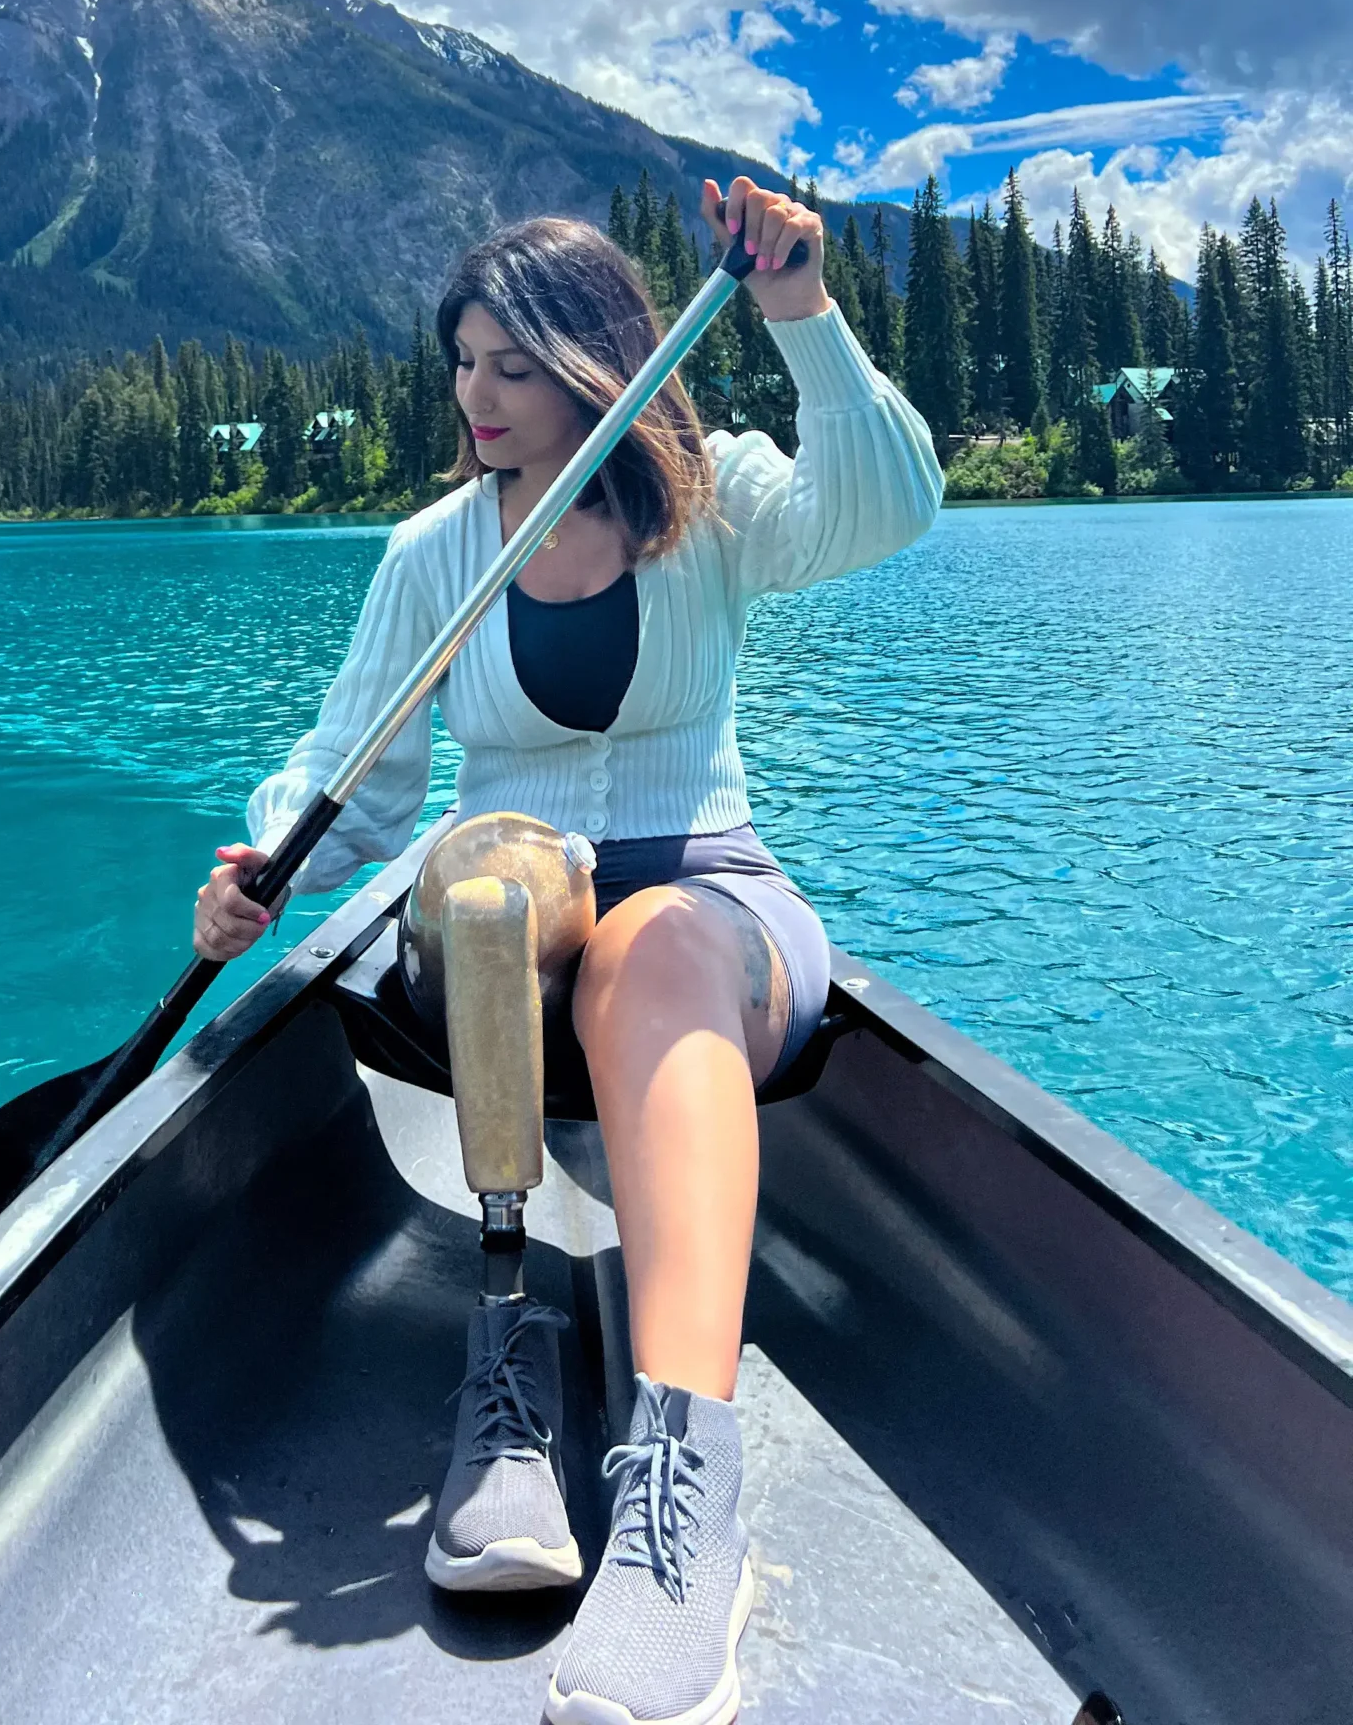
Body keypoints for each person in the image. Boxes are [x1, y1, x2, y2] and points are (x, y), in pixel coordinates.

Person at [196, 177, 942, 1725]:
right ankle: (505, 1351)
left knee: (654, 946)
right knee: (480, 886)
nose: (474, 396)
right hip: (507, 915)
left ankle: (683, 1503)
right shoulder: (432, 557)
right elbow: (357, 772)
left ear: (598, 363)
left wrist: (801, 307)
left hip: (707, 901)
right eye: (461, 362)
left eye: (511, 366)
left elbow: (889, 505)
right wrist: (257, 875)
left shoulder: (717, 502)